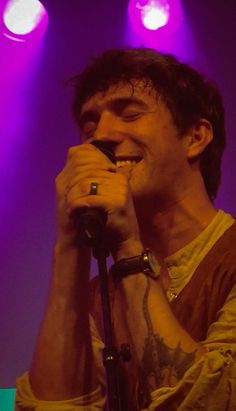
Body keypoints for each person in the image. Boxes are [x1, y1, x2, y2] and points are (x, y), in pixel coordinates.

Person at [15, 47, 236, 410]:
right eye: (89, 126)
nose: (101, 136)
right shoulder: (96, 294)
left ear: (195, 137)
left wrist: (130, 250)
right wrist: (69, 245)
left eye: (130, 114)